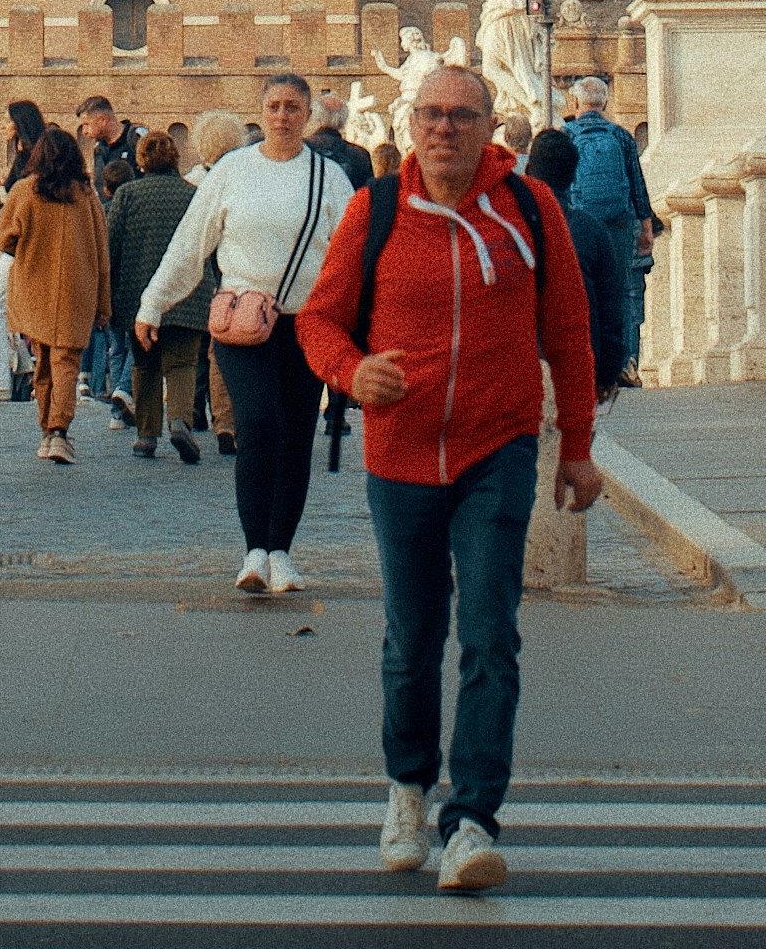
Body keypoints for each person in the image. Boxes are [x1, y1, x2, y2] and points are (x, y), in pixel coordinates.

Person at [302, 63, 602, 893]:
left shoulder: (531, 212)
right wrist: (352, 373)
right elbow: (320, 319)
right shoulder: (377, 210)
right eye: (430, 115)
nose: (444, 130)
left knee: (490, 631)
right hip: (399, 453)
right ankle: (407, 789)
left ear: (489, 125)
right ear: (412, 121)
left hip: (496, 447)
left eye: (461, 116)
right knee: (411, 636)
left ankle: (472, 818)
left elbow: (570, 329)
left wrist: (576, 444)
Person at [141, 75, 356, 595]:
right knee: (259, 424)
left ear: (307, 115)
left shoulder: (329, 179)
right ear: (261, 113)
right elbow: (191, 243)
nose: (282, 116)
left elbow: (352, 257)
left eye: (292, 107)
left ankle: (282, 551)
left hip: (308, 326)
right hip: (242, 323)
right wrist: (153, 303)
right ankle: (253, 550)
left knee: (297, 435)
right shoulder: (233, 171)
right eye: (273, 106)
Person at [2, 126, 110, 463]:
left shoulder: (24, 190)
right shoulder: (87, 195)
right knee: (67, 361)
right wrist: (104, 303)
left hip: (35, 285)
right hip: (77, 287)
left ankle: (48, 431)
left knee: (43, 359)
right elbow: (101, 252)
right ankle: (60, 431)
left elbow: (3, 238)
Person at [543, 85, 657, 393]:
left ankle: (585, 360)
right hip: (619, 222)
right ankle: (626, 364)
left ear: (577, 102)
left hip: (580, 222)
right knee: (622, 291)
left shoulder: (566, 134)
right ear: (604, 103)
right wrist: (645, 226)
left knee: (578, 289)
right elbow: (637, 183)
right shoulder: (621, 136)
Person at [105, 122, 203, 460]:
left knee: (144, 365)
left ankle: (146, 435)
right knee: (182, 363)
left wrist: (110, 293)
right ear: (176, 158)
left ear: (141, 161)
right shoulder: (194, 194)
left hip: (137, 297)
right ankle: (179, 420)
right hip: (189, 294)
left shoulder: (127, 195)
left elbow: (110, 246)